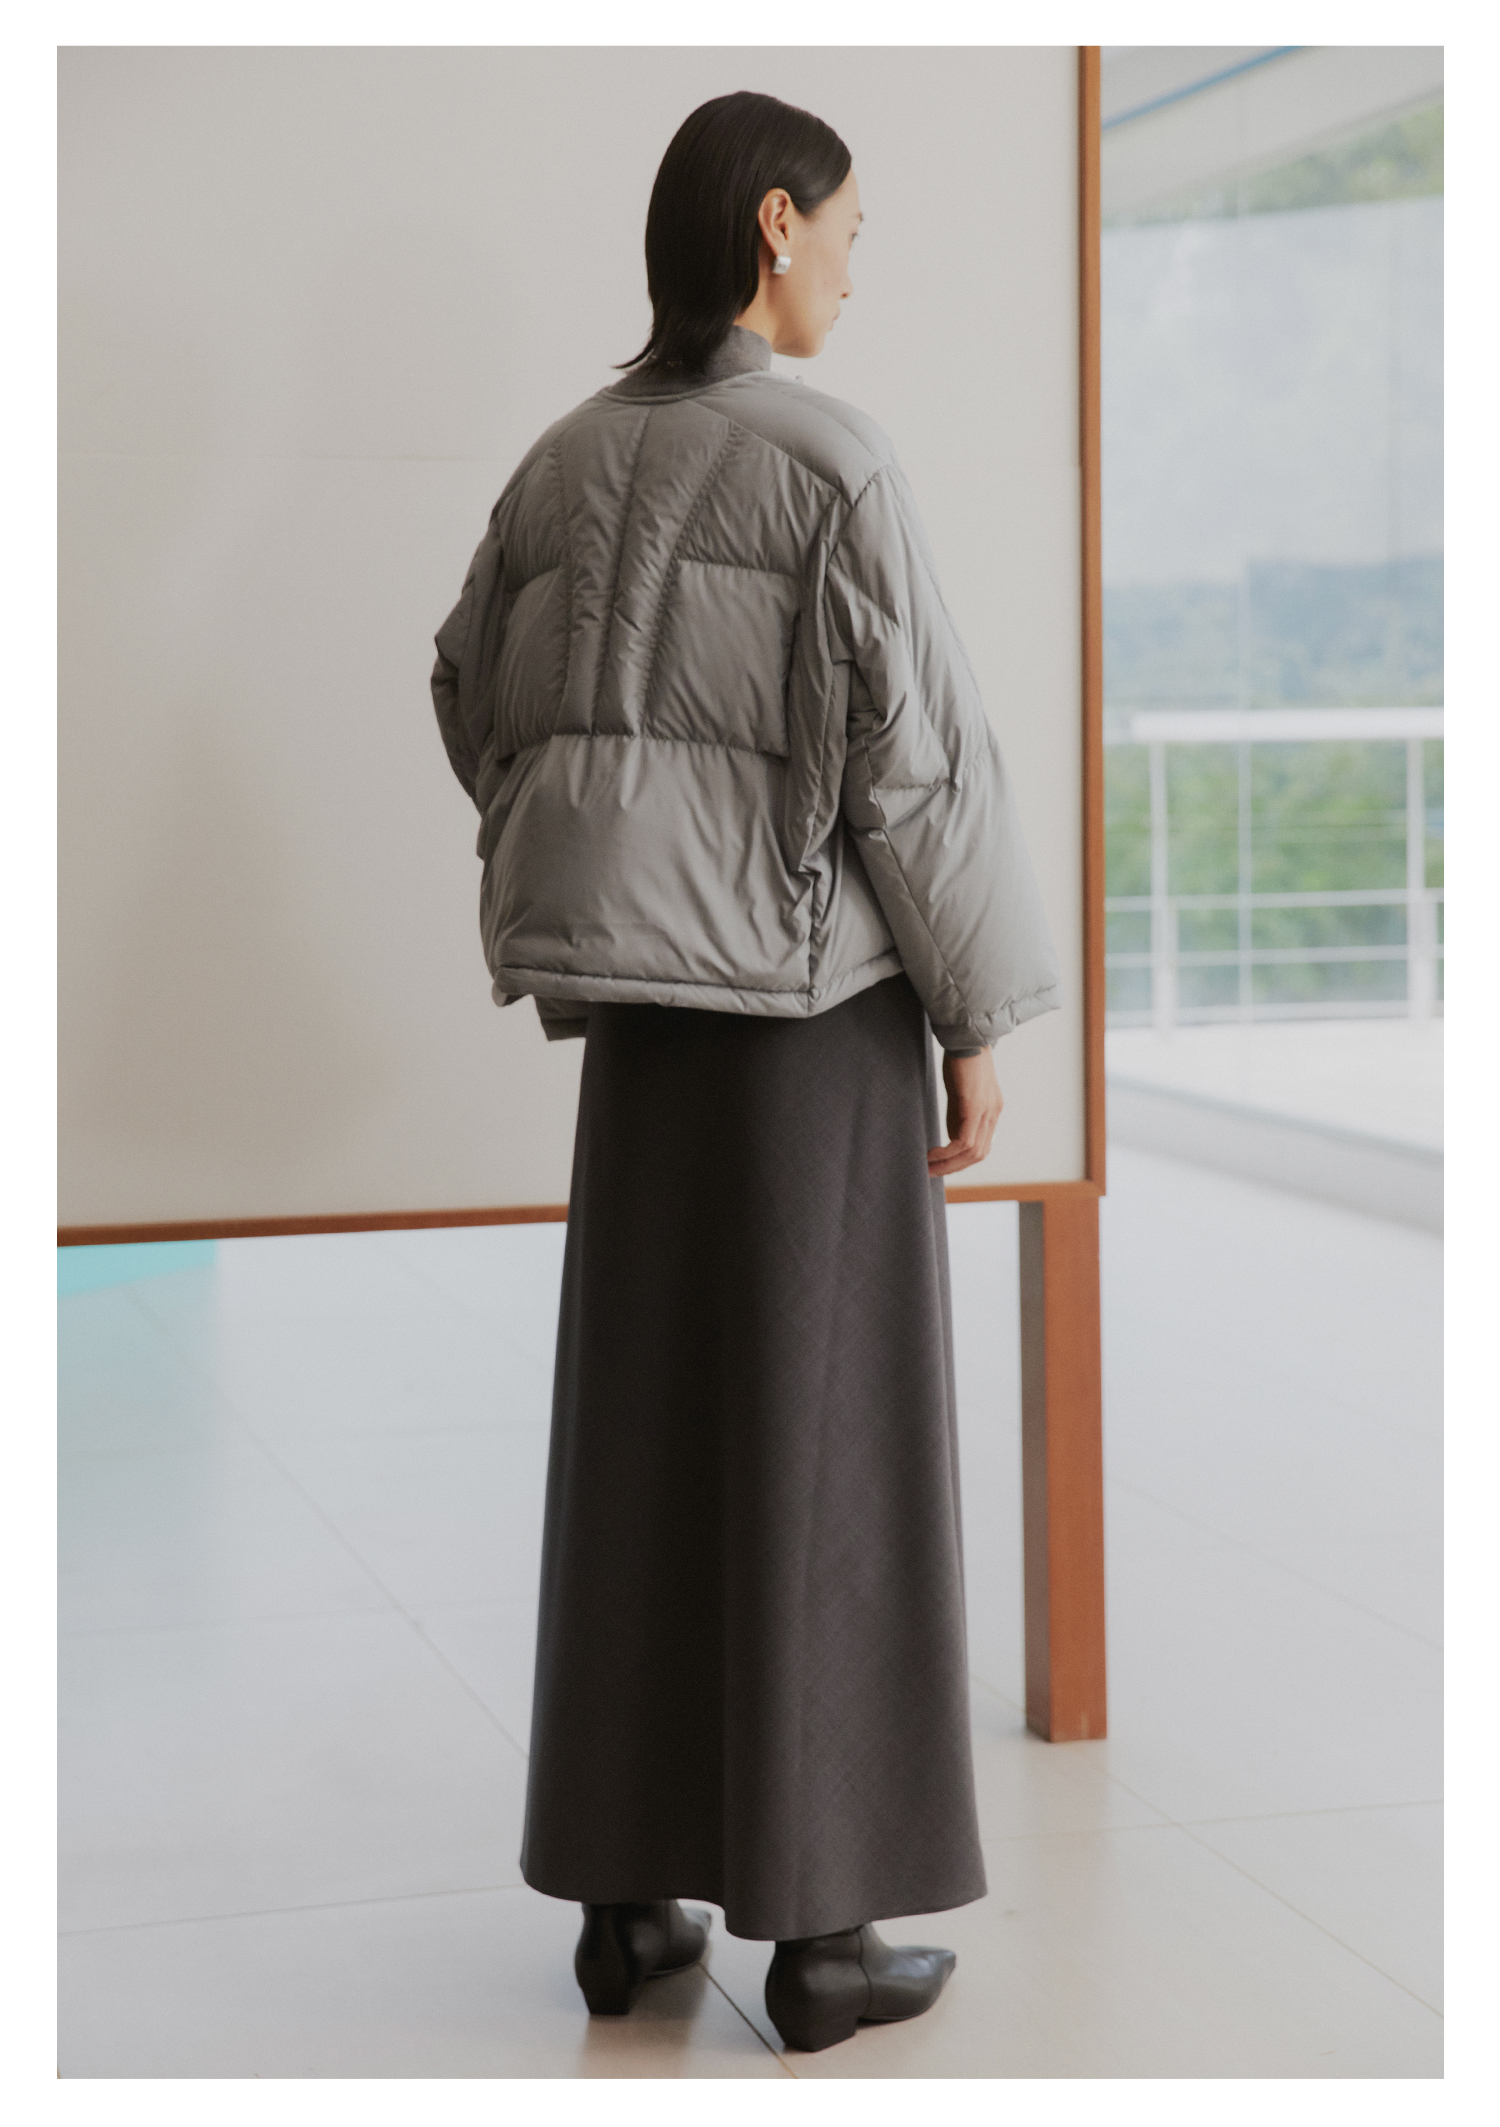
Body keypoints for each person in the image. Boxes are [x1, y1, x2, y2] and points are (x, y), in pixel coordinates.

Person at [430, 88, 1059, 2057]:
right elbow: (920, 765)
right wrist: (976, 1015)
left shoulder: (564, 456)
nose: (858, 274)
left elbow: (466, 687)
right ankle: (824, 1935)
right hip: (808, 1029)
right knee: (827, 1450)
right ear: (775, 226)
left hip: (645, 1041)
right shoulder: (829, 459)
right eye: (851, 235)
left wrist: (616, 861)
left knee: (646, 1436)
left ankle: (624, 1906)